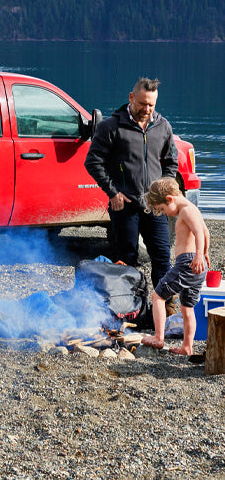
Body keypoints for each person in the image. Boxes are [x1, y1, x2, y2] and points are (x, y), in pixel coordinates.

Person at [84, 77, 178, 291]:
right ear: (131, 97)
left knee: (163, 258)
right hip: (124, 205)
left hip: (154, 207)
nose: (146, 109)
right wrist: (113, 192)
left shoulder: (163, 126)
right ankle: (128, 308)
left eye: (151, 105)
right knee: (126, 260)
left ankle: (163, 308)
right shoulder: (111, 126)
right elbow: (92, 161)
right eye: (142, 103)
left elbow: (172, 162)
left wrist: (163, 190)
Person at [141, 178, 210, 355]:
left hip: (188, 264)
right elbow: (206, 232)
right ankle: (187, 347)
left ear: (170, 199)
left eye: (162, 209)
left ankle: (158, 337)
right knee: (187, 307)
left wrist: (199, 255)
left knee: (157, 296)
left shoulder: (186, 211)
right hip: (195, 266)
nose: (164, 213)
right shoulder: (192, 209)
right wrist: (205, 253)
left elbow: (198, 232)